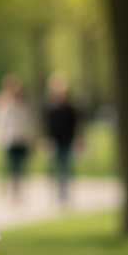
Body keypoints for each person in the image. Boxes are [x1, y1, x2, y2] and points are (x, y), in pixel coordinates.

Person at [0, 73, 35, 201]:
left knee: (21, 166)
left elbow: (29, 122)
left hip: (21, 139)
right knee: (10, 165)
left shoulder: (24, 102)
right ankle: (11, 190)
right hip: (6, 139)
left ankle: (19, 189)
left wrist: (33, 139)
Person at [43, 72, 80, 203]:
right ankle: (56, 191)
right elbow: (48, 125)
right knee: (55, 166)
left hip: (67, 140)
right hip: (55, 140)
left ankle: (65, 191)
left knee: (66, 166)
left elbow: (74, 125)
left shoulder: (70, 108)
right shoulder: (50, 107)